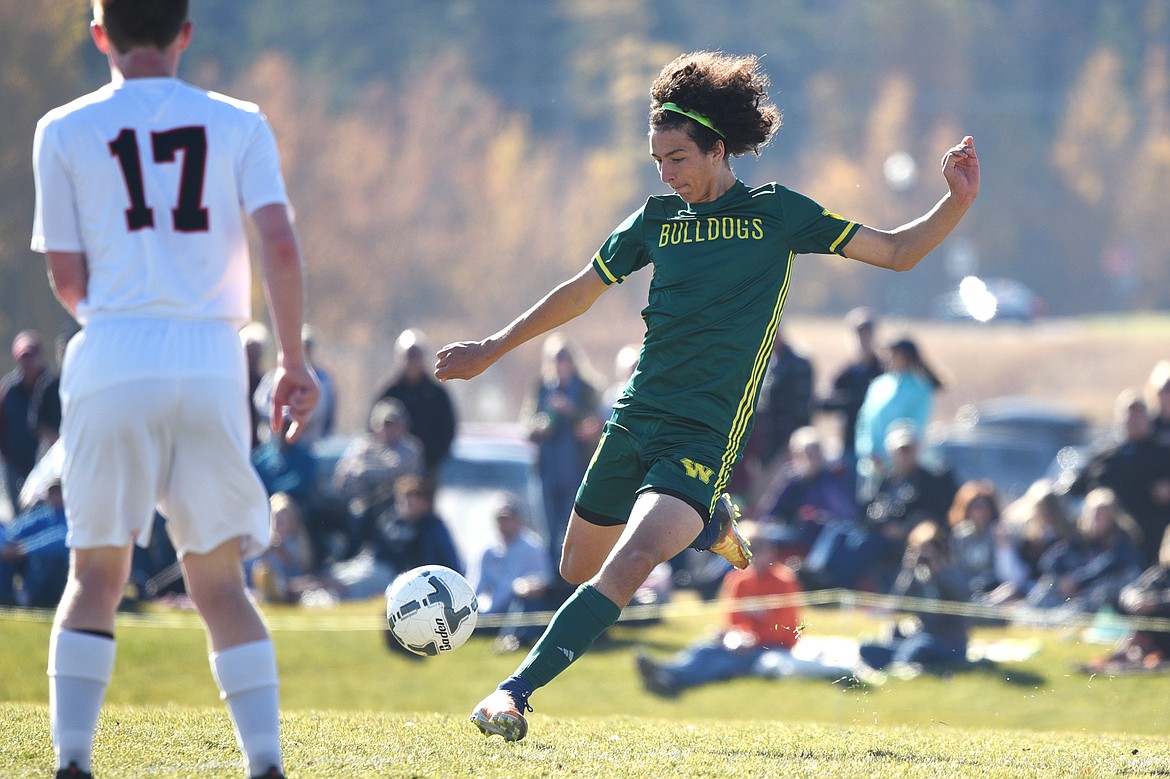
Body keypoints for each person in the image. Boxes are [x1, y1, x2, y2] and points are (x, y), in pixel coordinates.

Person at [435, 50, 978, 741]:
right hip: (634, 419)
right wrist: (491, 347)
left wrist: (954, 203)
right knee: (578, 567)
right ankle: (711, 525)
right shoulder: (657, 218)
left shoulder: (778, 214)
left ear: (719, 150)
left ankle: (513, 693)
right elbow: (579, 290)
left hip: (701, 434)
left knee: (631, 563)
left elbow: (897, 251)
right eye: (657, 160)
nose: (667, 173)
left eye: (679, 157)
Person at [31, 3, 320, 777]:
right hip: (210, 355)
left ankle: (73, 760)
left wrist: (127, 320)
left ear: (101, 36)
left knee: (95, 574)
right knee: (218, 579)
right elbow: (281, 243)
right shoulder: (239, 122)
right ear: (186, 32)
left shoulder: (61, 128)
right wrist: (292, 359)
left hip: (113, 344)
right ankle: (263, 761)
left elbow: (66, 276)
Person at [634, 522, 857, 696]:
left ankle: (672, 679)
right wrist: (730, 635)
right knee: (703, 648)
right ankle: (666, 671)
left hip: (772, 648)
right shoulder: (737, 580)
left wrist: (751, 639)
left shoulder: (784, 581)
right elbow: (732, 619)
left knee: (724, 662)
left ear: (770, 552)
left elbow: (787, 629)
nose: (753, 554)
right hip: (740, 643)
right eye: (748, 548)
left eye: (758, 549)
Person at [522, 333, 604, 568]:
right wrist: (539, 425)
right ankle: (552, 582)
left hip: (577, 472)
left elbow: (596, 424)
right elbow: (526, 424)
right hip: (547, 471)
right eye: (556, 359)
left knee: (573, 533)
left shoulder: (587, 389)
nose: (560, 364)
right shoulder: (541, 388)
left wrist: (570, 410)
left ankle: (574, 578)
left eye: (564, 358)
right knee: (549, 533)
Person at [1065, 389, 1170, 566]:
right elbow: (1074, 487)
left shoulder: (1163, 451)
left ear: (1148, 418)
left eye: (1138, 416)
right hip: (1111, 540)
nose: (1133, 421)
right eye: (1129, 416)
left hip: (1154, 530)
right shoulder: (1106, 456)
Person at [857, 520, 972, 675]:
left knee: (918, 646)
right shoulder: (918, 576)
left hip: (949, 643)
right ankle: (901, 662)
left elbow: (963, 596)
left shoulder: (952, 571)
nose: (926, 555)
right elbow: (898, 600)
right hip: (921, 639)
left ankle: (899, 665)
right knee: (868, 647)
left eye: (932, 548)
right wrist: (908, 569)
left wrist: (939, 570)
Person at [854, 336, 945, 500]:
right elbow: (865, 421)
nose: (886, 358)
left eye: (892, 354)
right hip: (872, 465)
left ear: (904, 356)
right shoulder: (879, 385)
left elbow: (915, 427)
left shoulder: (920, 389)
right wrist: (868, 451)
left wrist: (891, 455)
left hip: (900, 468)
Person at [1026, 487, 1144, 613]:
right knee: (1051, 583)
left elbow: (1108, 565)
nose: (1097, 519)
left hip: (1114, 589)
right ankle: (1031, 612)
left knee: (1099, 591)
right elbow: (1053, 559)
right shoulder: (1086, 538)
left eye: (1101, 515)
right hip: (1082, 587)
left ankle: (1063, 617)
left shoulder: (1123, 538)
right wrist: (1064, 576)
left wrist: (1077, 580)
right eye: (1094, 515)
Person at [331, 398, 424, 556]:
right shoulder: (362, 446)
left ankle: (357, 558)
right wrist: (366, 473)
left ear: (403, 426)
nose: (387, 429)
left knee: (366, 518)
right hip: (356, 500)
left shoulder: (410, 448)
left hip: (392, 506)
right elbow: (343, 475)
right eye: (383, 424)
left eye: (392, 424)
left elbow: (396, 472)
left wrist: (365, 471)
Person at [467, 493, 556, 652]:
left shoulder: (532, 546)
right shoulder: (486, 549)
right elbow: (475, 584)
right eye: (500, 519)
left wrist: (526, 586)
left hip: (517, 605)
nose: (504, 523)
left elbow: (545, 579)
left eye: (508, 518)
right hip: (490, 607)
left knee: (524, 601)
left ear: (518, 519)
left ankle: (513, 638)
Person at [754, 425, 856, 558]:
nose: (813, 459)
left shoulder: (828, 480)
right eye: (808, 454)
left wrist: (819, 516)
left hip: (818, 535)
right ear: (797, 455)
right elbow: (768, 512)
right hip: (788, 531)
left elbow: (846, 514)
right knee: (754, 535)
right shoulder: (790, 478)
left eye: (817, 453)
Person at [1081, 524, 1170, 674]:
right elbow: (1132, 589)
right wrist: (1136, 599)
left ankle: (1126, 654)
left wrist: (1156, 602)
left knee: (1154, 609)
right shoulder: (1162, 573)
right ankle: (1129, 653)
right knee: (1143, 607)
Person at [372, 328, 458, 477]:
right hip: (388, 471)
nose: (412, 361)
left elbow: (448, 430)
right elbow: (372, 425)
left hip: (427, 468)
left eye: (416, 356)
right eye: (408, 356)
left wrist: (431, 462)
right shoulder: (390, 391)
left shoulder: (436, 393)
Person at [818, 306, 885, 496]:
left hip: (877, 449)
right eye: (858, 334)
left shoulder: (882, 370)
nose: (862, 339)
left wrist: (849, 401)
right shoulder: (845, 371)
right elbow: (823, 403)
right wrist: (855, 400)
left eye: (866, 334)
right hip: (848, 444)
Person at [0, 330, 59, 514]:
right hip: (15, 466)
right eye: (24, 357)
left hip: (48, 465)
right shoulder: (9, 390)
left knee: (47, 515)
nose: (28, 361)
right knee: (20, 515)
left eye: (32, 355)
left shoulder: (53, 386)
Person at [254, 324, 335, 444]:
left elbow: (323, 412)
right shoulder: (274, 376)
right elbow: (261, 403)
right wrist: (281, 420)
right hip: (274, 444)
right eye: (302, 347)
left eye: (308, 348)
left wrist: (297, 418)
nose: (304, 353)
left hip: (308, 445)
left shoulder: (322, 380)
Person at [0, 477, 69, 608]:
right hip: (38, 564)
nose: (55, 497)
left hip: (61, 571)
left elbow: (60, 539)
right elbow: (15, 530)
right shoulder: (45, 514)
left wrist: (25, 549)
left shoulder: (70, 515)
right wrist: (6, 547)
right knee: (6, 556)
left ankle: (34, 598)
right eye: (52, 493)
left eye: (59, 493)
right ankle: (4, 598)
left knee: (46, 558)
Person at [946, 480, 1004, 598]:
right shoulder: (960, 535)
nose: (980, 512)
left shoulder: (997, 533)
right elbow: (958, 567)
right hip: (967, 588)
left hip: (995, 587)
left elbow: (1000, 568)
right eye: (975, 507)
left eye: (984, 506)